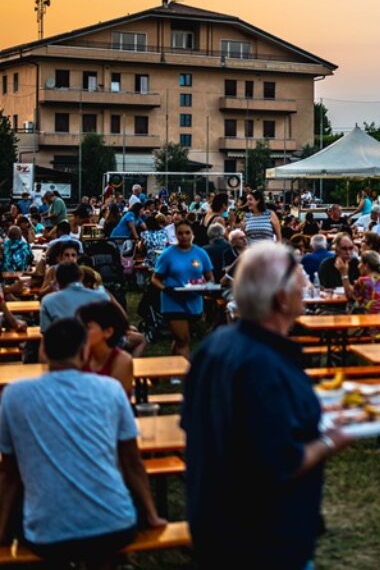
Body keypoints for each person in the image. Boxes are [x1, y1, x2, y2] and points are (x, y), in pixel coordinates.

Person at [182, 243, 351, 569]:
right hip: (262, 538)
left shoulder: (215, 345)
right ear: (281, 298)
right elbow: (281, 463)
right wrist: (331, 440)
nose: (305, 284)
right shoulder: (265, 366)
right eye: (298, 278)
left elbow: (202, 427)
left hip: (212, 521)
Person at [0, 318, 164, 566]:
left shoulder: (14, 395)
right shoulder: (110, 389)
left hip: (47, 535)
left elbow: (10, 473)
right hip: (115, 525)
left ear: (43, 350)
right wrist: (152, 516)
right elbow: (132, 461)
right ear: (84, 350)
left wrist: (2, 531)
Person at [151, 222, 214, 359]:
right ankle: (187, 375)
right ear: (175, 235)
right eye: (180, 233)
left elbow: (210, 277)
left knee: (179, 339)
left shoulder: (200, 253)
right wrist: (166, 289)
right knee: (184, 339)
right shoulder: (168, 254)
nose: (184, 236)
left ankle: (173, 372)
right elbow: (155, 278)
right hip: (172, 301)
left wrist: (205, 287)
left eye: (187, 233)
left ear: (192, 234)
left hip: (193, 301)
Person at [40, 262, 114, 335]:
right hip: (94, 343)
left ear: (57, 280)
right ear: (81, 277)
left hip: (62, 344)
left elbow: (46, 333)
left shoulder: (48, 301)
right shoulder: (102, 296)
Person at [79, 300, 134, 398]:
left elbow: (114, 402)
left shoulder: (122, 361)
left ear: (108, 332)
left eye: (87, 327)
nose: (80, 331)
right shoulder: (78, 356)